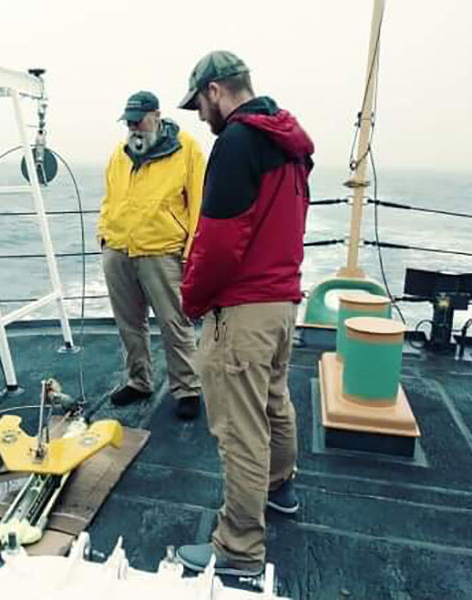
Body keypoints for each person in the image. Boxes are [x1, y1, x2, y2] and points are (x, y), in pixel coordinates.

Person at [174, 51, 315, 580]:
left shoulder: (237, 141)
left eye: (199, 104)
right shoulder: (290, 143)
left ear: (215, 90)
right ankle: (280, 490)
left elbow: (218, 242)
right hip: (282, 304)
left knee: (239, 429)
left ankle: (239, 549)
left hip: (244, 309)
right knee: (275, 403)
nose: (199, 117)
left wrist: (190, 300)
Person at [97, 90, 205, 420]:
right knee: (129, 323)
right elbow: (110, 196)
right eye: (128, 121)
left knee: (175, 323)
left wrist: (191, 254)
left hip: (162, 251)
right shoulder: (120, 153)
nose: (132, 126)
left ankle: (187, 387)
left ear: (156, 116)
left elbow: (200, 203)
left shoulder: (187, 149)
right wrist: (104, 233)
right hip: (118, 248)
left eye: (138, 119)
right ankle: (139, 380)